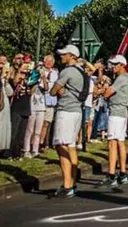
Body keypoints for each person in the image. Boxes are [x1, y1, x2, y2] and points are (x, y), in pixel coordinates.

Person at [49, 45, 84, 198]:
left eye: (64, 54)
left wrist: (58, 90)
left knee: (61, 146)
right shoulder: (82, 73)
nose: (61, 57)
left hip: (66, 111)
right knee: (71, 146)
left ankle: (67, 185)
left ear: (71, 55)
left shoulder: (67, 71)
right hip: (77, 111)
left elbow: (53, 90)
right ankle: (72, 182)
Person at [99, 55, 128, 187]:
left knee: (112, 143)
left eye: (114, 64)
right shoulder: (126, 78)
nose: (112, 67)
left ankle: (112, 174)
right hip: (122, 112)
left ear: (121, 65)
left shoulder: (121, 78)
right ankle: (122, 173)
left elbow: (107, 94)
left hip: (116, 113)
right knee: (120, 143)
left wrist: (105, 89)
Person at [39, 55, 58, 152]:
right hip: (41, 100)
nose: (49, 63)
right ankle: (36, 143)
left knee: (46, 123)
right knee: (39, 123)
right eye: (47, 61)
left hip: (51, 101)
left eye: (51, 61)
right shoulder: (40, 71)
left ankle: (42, 142)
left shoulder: (55, 73)